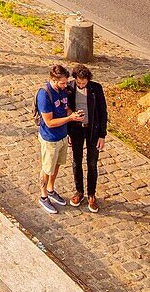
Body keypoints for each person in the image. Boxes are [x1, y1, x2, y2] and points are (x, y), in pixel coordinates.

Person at [36, 63, 86, 215]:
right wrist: (70, 118)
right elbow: (49, 122)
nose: (66, 85)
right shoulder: (45, 94)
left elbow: (66, 108)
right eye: (62, 83)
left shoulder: (63, 91)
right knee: (47, 168)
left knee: (57, 165)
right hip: (50, 138)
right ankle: (43, 196)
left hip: (62, 136)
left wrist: (73, 113)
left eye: (66, 82)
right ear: (53, 79)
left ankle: (51, 189)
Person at [67, 64, 108, 213]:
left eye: (84, 83)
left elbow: (103, 113)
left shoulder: (96, 89)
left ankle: (92, 194)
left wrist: (102, 135)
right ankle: (79, 192)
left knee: (92, 163)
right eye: (79, 82)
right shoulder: (70, 88)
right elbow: (66, 110)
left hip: (93, 131)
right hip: (76, 130)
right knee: (76, 162)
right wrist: (68, 132)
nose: (81, 85)